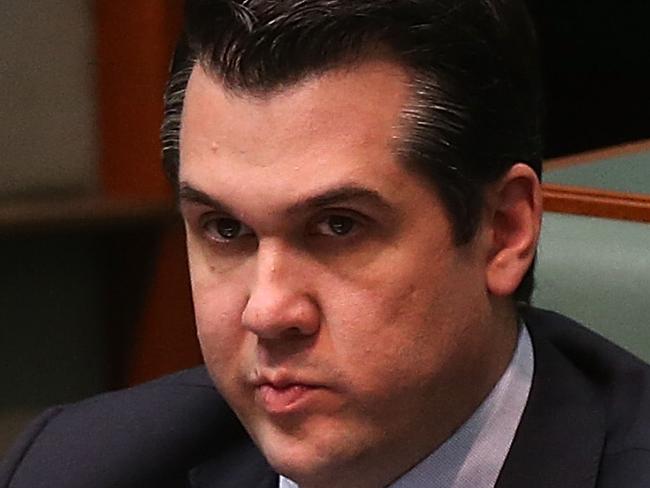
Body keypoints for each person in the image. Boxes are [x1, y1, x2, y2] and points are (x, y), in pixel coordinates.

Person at [2, 1, 650, 487]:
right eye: (226, 230)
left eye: (338, 226)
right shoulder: (80, 467)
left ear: (504, 231)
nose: (267, 311)